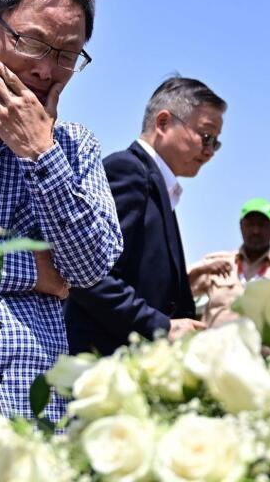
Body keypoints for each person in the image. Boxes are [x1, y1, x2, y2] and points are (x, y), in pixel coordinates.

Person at [0, 0, 123, 421]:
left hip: (36, 415)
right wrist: (37, 272)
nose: (47, 69)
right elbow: (61, 273)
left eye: (67, 55)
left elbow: (89, 266)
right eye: (32, 43)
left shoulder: (75, 146)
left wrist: (39, 151)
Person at [66, 77, 226, 356]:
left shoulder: (157, 185)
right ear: (163, 123)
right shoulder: (128, 171)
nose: (210, 151)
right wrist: (162, 327)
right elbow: (91, 275)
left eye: (216, 143)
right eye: (206, 137)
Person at [188, 197, 270, 327]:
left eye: (262, 225)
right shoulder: (215, 263)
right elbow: (176, 289)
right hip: (216, 345)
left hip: (264, 347)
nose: (256, 230)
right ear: (241, 225)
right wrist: (201, 270)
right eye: (250, 224)